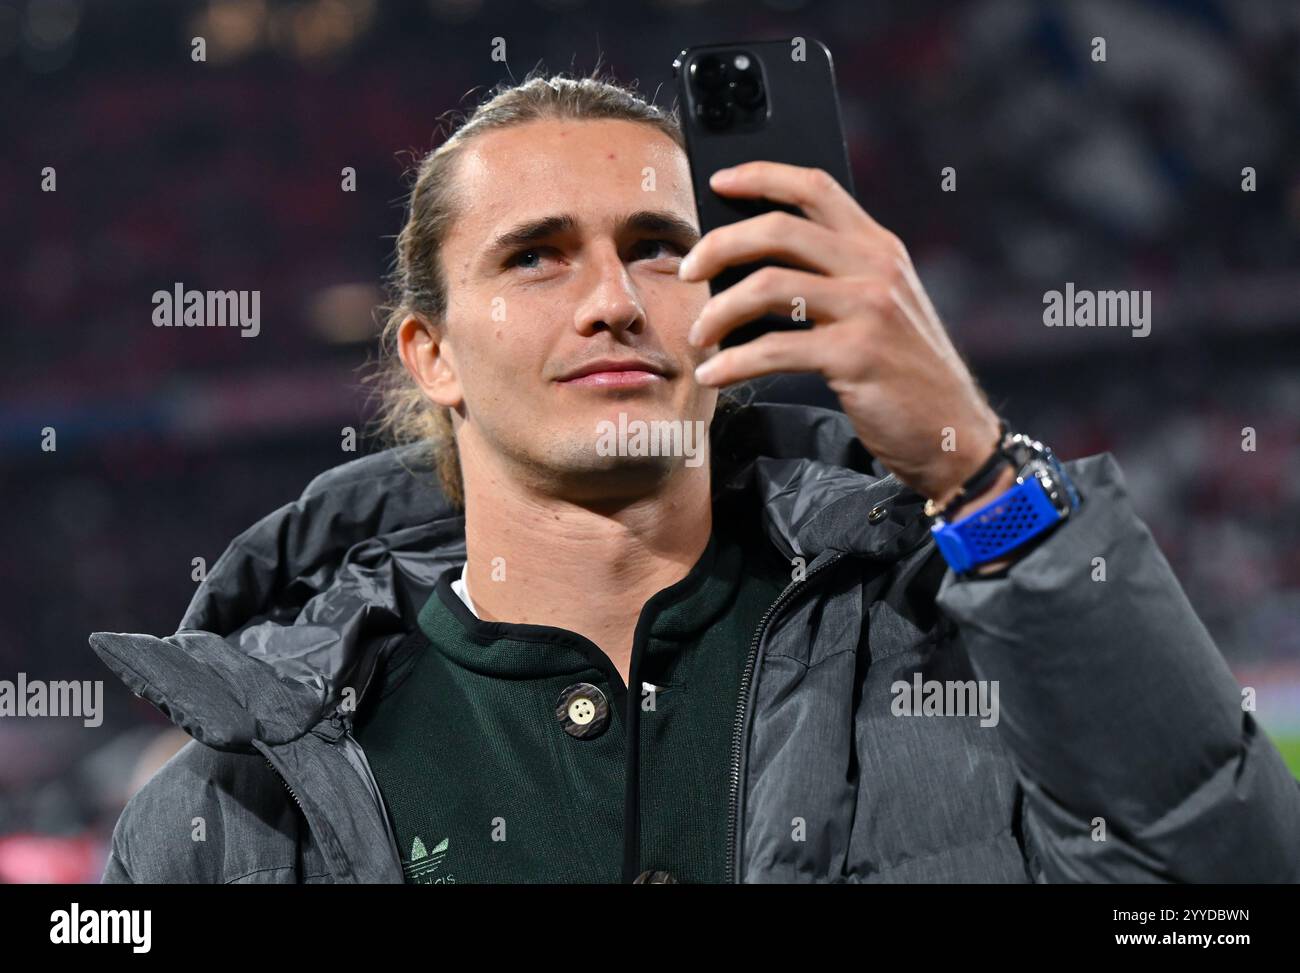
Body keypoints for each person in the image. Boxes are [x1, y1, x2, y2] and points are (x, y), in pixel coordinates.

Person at [91, 72, 1300, 884]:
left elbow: (1217, 887)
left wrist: (969, 465)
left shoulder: (967, 671)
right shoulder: (235, 808)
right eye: (537, 257)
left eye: (660, 250)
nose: (615, 301)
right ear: (432, 352)